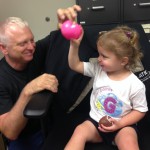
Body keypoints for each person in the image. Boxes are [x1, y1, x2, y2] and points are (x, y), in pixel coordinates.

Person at [0, 5, 81, 150]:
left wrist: (62, 25)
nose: (31, 47)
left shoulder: (33, 52)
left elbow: (54, 39)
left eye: (31, 40)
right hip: (25, 138)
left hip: (49, 125)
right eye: (22, 43)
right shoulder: (2, 78)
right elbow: (10, 132)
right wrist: (28, 91)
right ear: (4, 48)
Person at [64, 25, 148, 150]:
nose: (99, 59)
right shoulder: (97, 70)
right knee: (80, 131)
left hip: (122, 127)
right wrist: (74, 46)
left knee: (129, 141)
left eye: (104, 56)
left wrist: (120, 124)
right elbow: (74, 65)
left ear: (123, 61)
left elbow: (140, 111)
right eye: (99, 54)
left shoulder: (135, 85)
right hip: (95, 124)